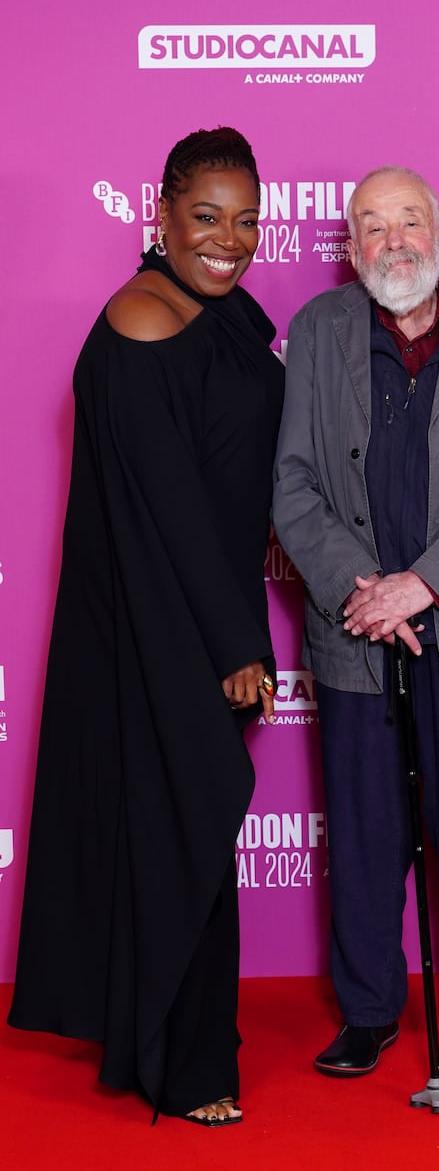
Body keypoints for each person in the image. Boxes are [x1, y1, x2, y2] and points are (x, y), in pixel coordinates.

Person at [8, 127, 285, 1125]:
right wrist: (233, 645)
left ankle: (173, 1035)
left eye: (246, 219)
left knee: (185, 829)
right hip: (166, 627)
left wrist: (273, 531)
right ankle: (184, 1063)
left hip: (206, 606)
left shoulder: (209, 310)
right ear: (158, 213)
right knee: (185, 827)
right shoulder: (139, 320)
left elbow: (228, 450)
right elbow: (167, 505)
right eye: (205, 216)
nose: (228, 239)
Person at [273, 166, 439, 1077]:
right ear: (350, 250)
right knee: (363, 828)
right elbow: (294, 483)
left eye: (410, 220)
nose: (395, 241)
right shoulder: (315, 333)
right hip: (356, 629)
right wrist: (367, 590)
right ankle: (368, 1010)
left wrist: (421, 585)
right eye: (373, 227)